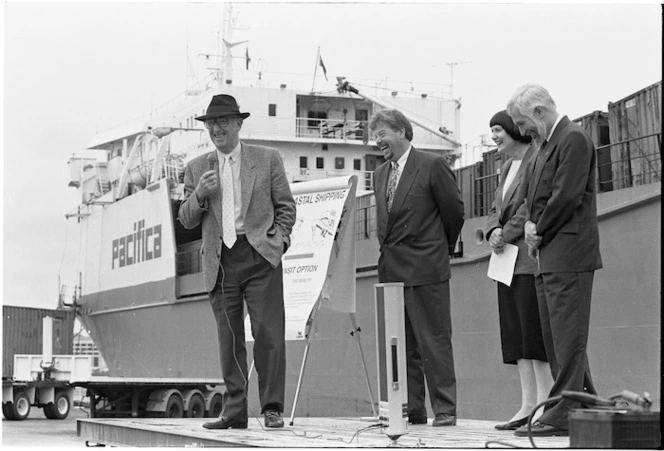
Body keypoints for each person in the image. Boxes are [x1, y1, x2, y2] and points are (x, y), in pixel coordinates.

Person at [178, 94, 296, 430]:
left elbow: (286, 206)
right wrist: (199, 193)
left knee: (268, 334)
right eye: (210, 123)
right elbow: (185, 221)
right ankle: (234, 412)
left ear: (238, 124)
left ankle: (272, 409)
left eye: (222, 121)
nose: (216, 128)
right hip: (221, 260)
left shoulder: (267, 158)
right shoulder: (196, 168)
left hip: (259, 255)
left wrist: (280, 240)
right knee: (228, 340)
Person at [506, 84, 602, 437]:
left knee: (568, 335)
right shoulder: (543, 146)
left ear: (539, 112)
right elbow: (534, 196)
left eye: (523, 122)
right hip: (548, 254)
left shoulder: (573, 139)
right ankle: (586, 403)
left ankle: (564, 409)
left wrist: (537, 230)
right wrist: (531, 225)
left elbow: (566, 197)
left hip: (568, 253)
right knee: (557, 337)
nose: (522, 130)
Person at [370, 109, 465, 427]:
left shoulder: (432, 164)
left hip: (426, 268)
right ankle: (413, 408)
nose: (377, 141)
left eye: (382, 134)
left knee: (434, 339)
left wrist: (440, 249)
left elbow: (454, 212)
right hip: (392, 271)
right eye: (375, 136)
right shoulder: (379, 174)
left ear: (401, 131)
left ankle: (445, 408)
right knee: (403, 344)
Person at [484, 110, 554, 431]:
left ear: (514, 130)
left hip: (525, 260)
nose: (494, 136)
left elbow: (529, 205)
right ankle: (527, 404)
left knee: (532, 334)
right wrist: (491, 231)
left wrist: (505, 233)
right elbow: (494, 208)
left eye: (498, 130)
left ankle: (545, 401)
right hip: (505, 264)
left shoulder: (533, 160)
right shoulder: (505, 167)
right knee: (516, 337)